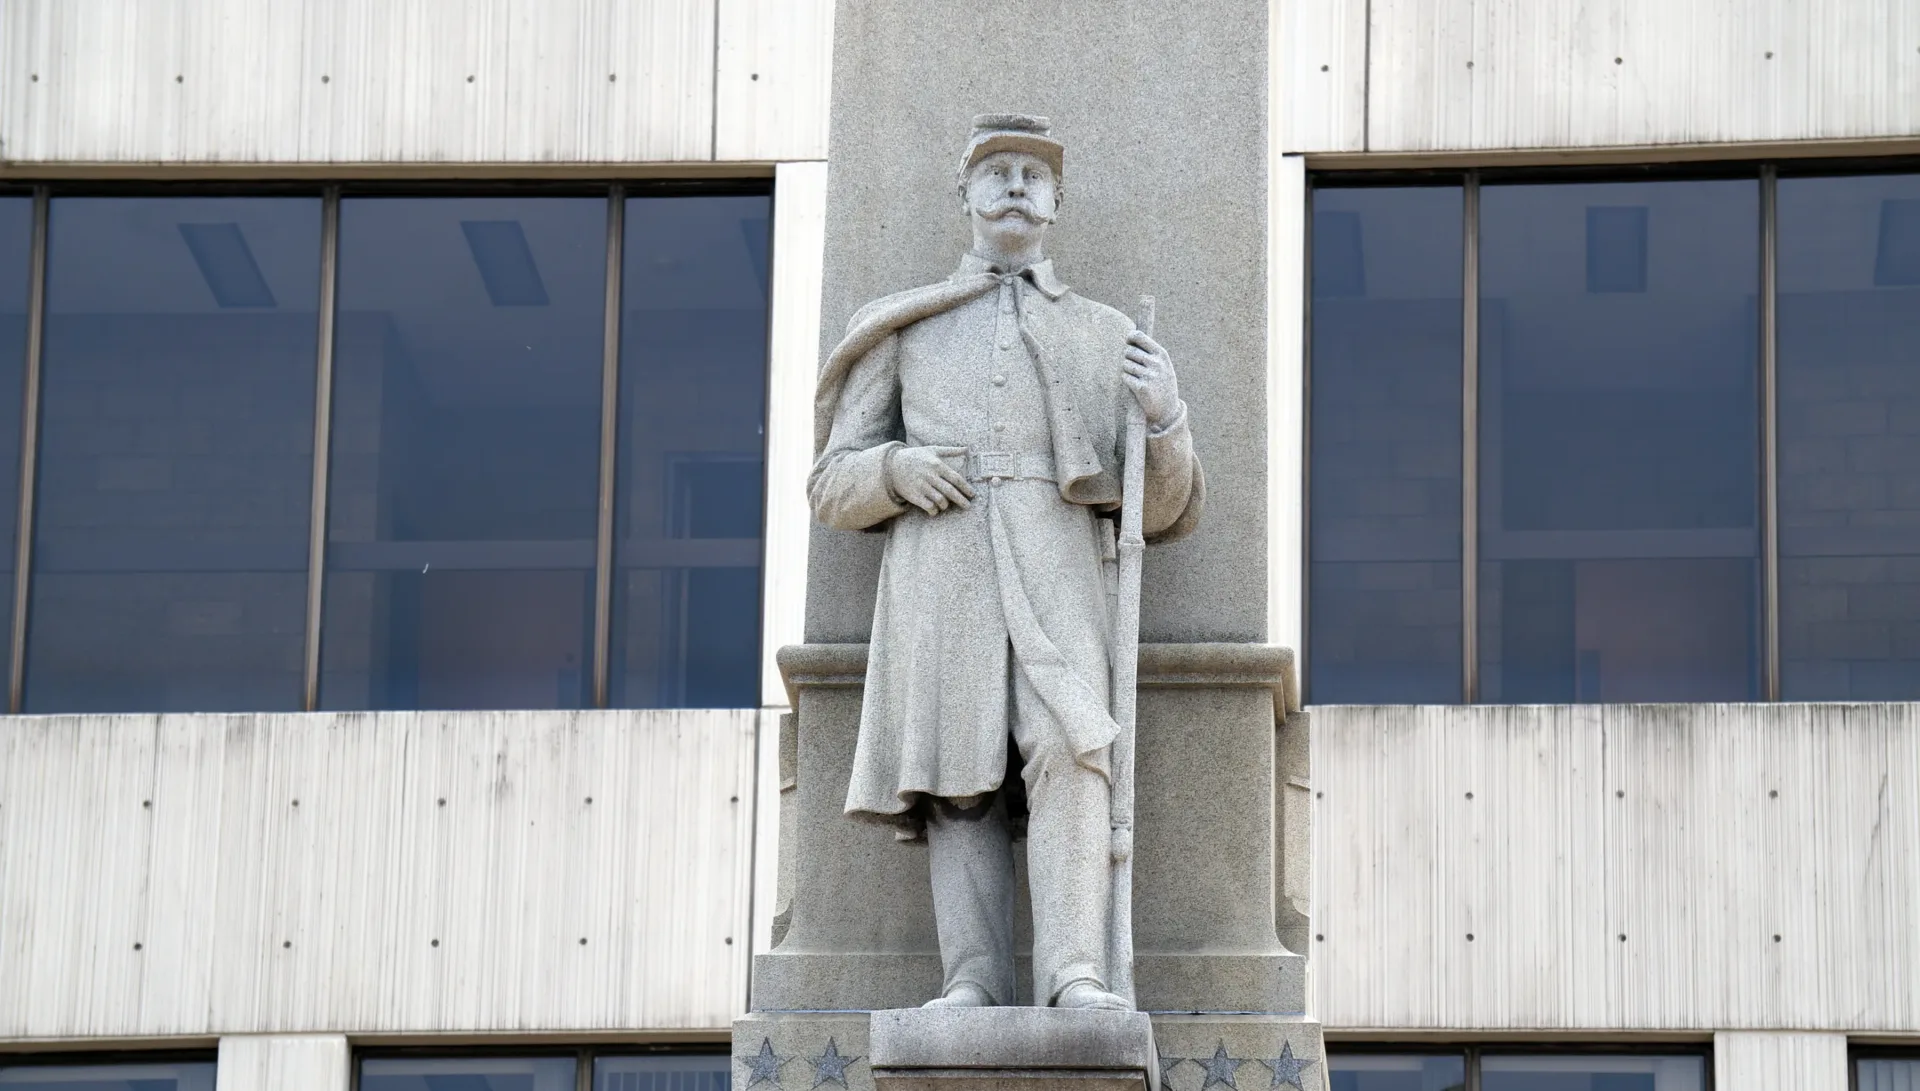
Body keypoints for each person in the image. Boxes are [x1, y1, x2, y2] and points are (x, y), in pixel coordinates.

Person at [808, 114, 1204, 1011]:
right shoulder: (904, 328)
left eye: (1034, 173)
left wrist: (1166, 416)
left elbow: (1167, 508)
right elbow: (830, 483)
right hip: (939, 569)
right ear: (967, 195)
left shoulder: (1109, 336)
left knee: (1072, 749)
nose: (1017, 183)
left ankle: (1076, 972)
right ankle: (974, 980)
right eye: (997, 170)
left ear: (1057, 201)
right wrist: (894, 468)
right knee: (958, 776)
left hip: (1060, 562)